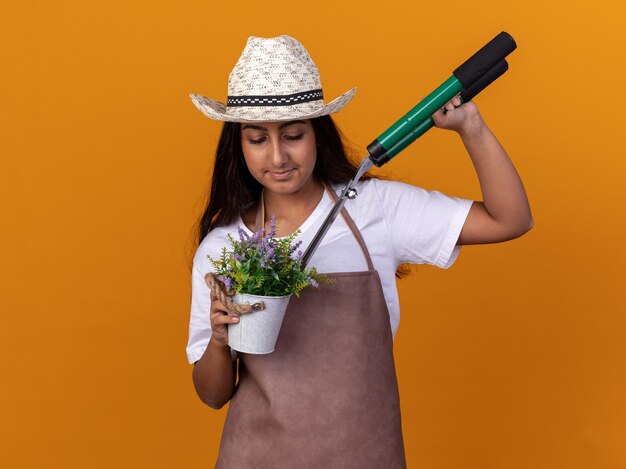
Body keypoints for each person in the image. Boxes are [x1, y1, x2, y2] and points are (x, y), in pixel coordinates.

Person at [186, 35, 533, 468]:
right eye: (257, 139)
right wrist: (220, 341)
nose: (277, 156)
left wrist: (472, 128)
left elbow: (510, 219)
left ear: (318, 133)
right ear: (238, 146)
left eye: (293, 135)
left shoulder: (374, 209)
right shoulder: (223, 246)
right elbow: (213, 395)